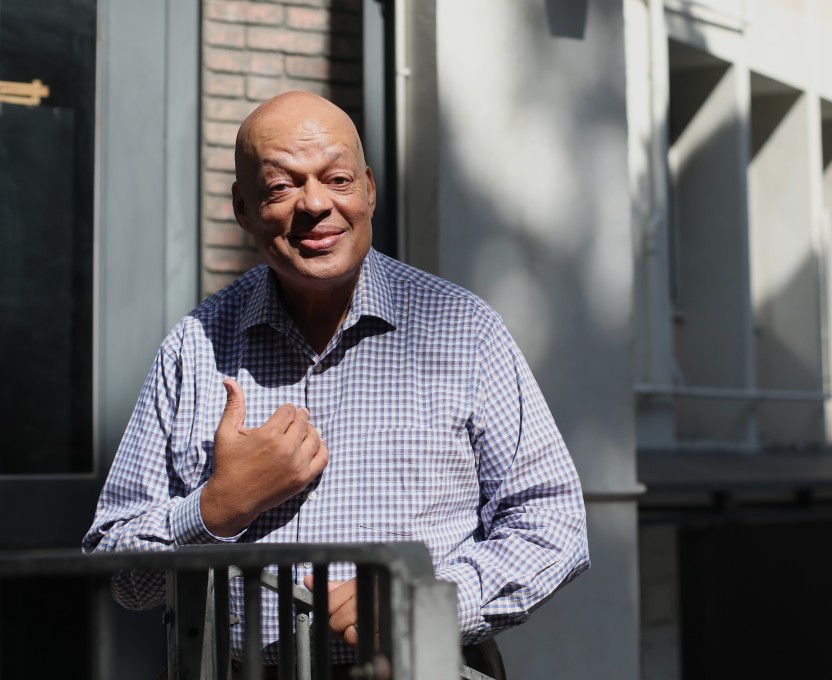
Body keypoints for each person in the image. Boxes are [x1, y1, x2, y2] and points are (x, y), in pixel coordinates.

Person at [83, 91, 589, 677]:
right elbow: (118, 570)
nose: (315, 204)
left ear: (370, 190)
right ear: (243, 209)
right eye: (280, 187)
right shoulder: (195, 347)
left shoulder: (462, 330)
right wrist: (217, 508)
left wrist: (429, 602)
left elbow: (552, 520)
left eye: (338, 179)